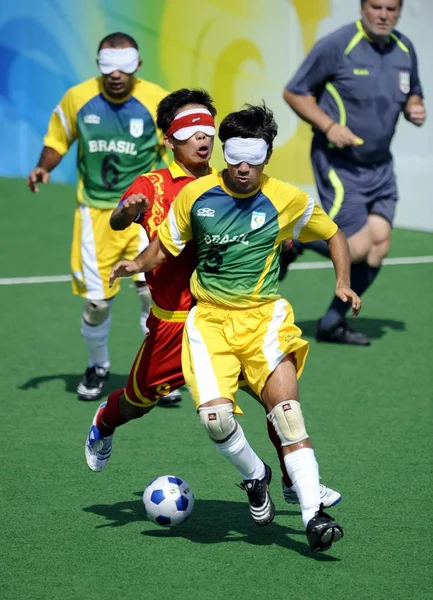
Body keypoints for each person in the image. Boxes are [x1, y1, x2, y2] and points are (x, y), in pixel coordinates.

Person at [110, 104, 361, 553]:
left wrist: (342, 281)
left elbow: (333, 234)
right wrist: (135, 263)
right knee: (216, 419)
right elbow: (164, 248)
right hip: (208, 324)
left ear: (267, 156)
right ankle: (256, 475)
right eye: (236, 155)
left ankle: (313, 517)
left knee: (287, 415)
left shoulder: (286, 197)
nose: (244, 167)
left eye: (255, 156)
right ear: (225, 152)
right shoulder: (195, 196)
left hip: (264, 320)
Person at [26, 32, 169, 400]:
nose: (116, 74)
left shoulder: (156, 101)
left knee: (151, 295)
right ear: (98, 65)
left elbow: (177, 148)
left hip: (144, 212)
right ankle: (98, 365)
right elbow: (58, 138)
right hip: (95, 215)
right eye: (108, 66)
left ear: (137, 64)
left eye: (124, 66)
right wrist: (43, 167)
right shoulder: (79, 97)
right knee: (97, 302)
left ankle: (158, 370)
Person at [281, 0, 426, 345]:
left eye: (391, 8)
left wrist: (414, 107)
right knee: (358, 247)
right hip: (339, 163)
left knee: (380, 245)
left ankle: (332, 322)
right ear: (362, 8)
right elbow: (294, 92)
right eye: (376, 7)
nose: (383, 14)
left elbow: (413, 92)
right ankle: (291, 241)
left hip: (380, 166)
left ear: (399, 12)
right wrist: (329, 126)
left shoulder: (405, 48)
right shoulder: (337, 45)